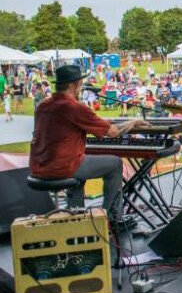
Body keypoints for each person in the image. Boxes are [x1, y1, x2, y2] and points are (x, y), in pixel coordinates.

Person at [29, 65, 150, 216]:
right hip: (63, 166)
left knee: (79, 172)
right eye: (80, 84)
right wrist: (132, 122)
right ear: (73, 85)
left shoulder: (42, 106)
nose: (81, 88)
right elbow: (112, 132)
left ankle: (77, 217)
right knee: (115, 163)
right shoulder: (74, 107)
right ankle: (112, 217)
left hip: (38, 166)